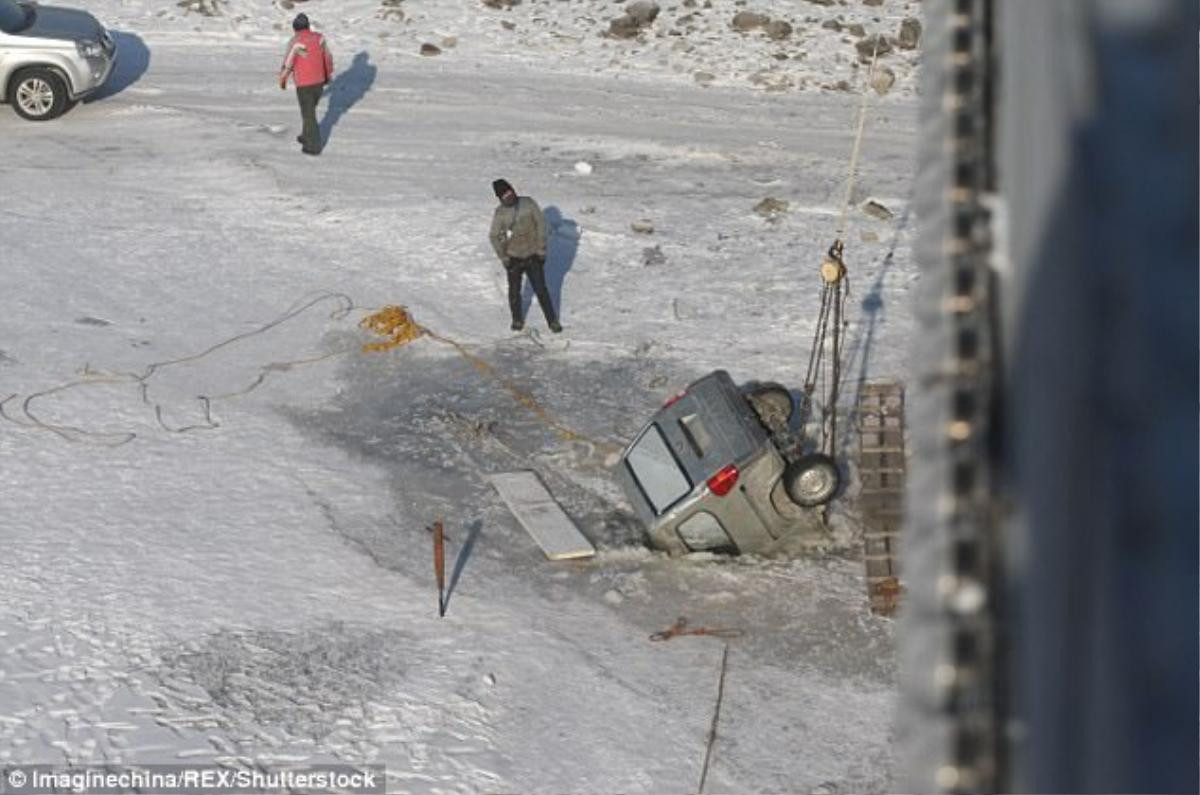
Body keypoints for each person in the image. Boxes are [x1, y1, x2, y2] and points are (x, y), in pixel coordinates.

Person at [488, 179, 562, 333]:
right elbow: (494, 236)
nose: (509, 196)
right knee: (514, 291)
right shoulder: (500, 213)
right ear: (500, 198)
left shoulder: (528, 204)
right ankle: (517, 319)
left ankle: (552, 320)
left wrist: (541, 250)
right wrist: (504, 257)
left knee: (541, 289)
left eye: (510, 191)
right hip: (514, 257)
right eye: (505, 195)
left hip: (533, 255)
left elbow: (541, 225)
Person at [278, 13, 333, 155]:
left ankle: (313, 147)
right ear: (308, 25)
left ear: (295, 27)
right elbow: (327, 58)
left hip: (305, 84)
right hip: (319, 81)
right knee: (309, 111)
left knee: (309, 114)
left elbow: (288, 63)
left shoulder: (295, 41)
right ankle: (306, 135)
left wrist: (283, 78)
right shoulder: (320, 38)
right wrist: (327, 75)